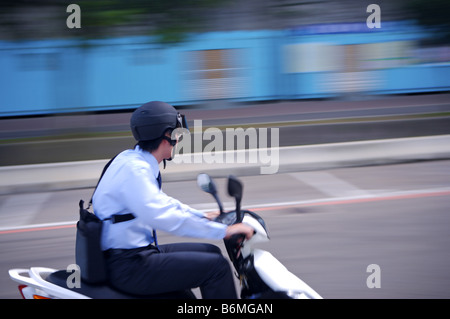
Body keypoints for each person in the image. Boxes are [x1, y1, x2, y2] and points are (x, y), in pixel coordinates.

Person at [92, 100, 254, 299]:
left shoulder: (132, 159)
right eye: (177, 134)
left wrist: (203, 217)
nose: (178, 140)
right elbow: (164, 216)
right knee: (217, 268)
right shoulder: (135, 171)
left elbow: (162, 203)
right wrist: (225, 230)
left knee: (211, 252)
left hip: (134, 254)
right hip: (128, 265)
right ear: (165, 135)